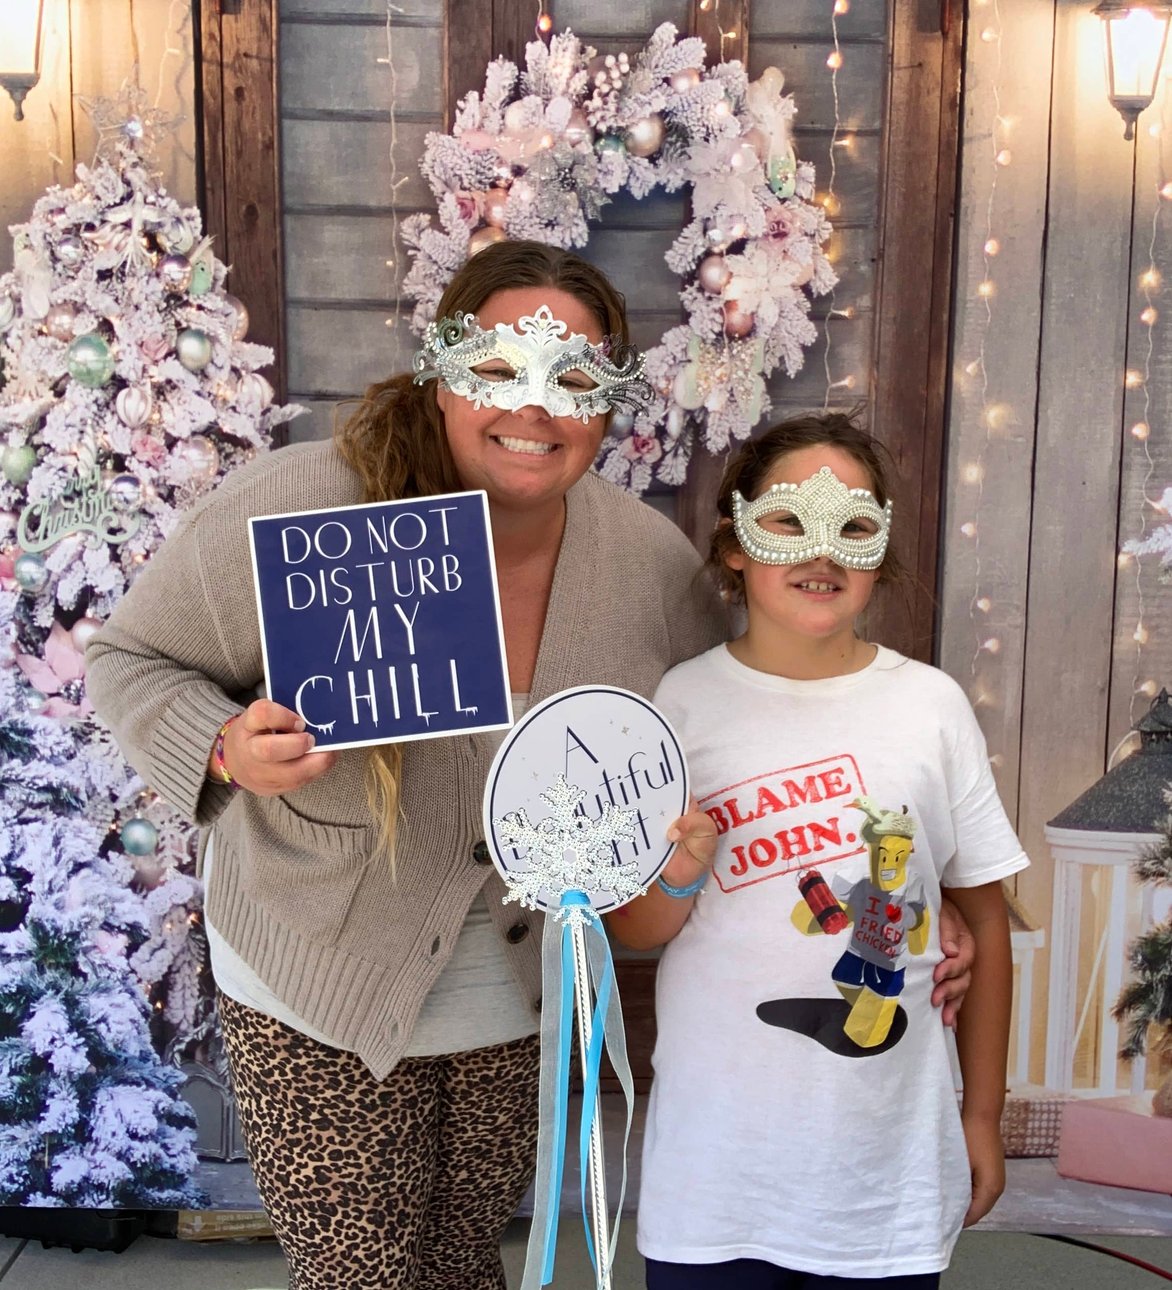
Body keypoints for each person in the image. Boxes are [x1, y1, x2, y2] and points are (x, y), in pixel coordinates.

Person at [86, 244, 973, 1290]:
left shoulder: (648, 568)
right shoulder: (298, 504)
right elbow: (130, 661)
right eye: (499, 370)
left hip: (520, 987)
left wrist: (913, 899)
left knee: (465, 1263)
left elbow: (743, 731)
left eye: (573, 378)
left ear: (610, 400)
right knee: (362, 1275)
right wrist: (225, 746)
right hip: (321, 969)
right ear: (440, 371)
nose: (535, 408)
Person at [610, 411, 1027, 1290]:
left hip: (882, 1184)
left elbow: (986, 922)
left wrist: (982, 1117)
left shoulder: (930, 707)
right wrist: (677, 876)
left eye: (853, 527)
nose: (822, 552)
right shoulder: (679, 704)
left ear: (881, 548)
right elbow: (635, 930)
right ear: (735, 544)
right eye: (788, 521)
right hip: (715, 1177)